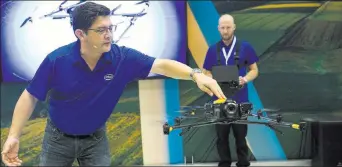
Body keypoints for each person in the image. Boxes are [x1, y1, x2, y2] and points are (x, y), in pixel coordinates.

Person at [1, 2, 226, 166]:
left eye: (110, 28)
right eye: (101, 30)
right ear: (81, 34)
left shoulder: (122, 58)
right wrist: (14, 136)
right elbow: (30, 95)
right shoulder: (56, 60)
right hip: (58, 139)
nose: (109, 35)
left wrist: (197, 75)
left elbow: (163, 66)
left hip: (95, 139)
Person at [202, 14, 259, 167]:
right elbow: (205, 72)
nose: (225, 31)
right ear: (218, 29)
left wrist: (245, 79)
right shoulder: (212, 50)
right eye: (222, 28)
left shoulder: (245, 47)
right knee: (221, 136)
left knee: (241, 135)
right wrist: (212, 79)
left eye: (228, 27)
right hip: (219, 100)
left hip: (240, 99)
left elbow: (254, 70)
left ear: (234, 27)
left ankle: (243, 162)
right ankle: (224, 163)